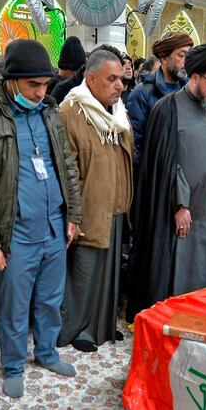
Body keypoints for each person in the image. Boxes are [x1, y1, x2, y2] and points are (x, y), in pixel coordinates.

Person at [0, 39, 82, 399]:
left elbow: (66, 167)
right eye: (34, 86)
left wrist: (73, 214)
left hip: (54, 226)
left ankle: (46, 352)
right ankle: (13, 364)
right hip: (14, 232)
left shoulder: (48, 111)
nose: (42, 93)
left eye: (45, 85)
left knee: (50, 297)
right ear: (9, 80)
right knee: (14, 305)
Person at [127, 42, 206, 319]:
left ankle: (193, 313)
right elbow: (164, 164)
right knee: (173, 265)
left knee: (201, 265)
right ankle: (168, 317)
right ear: (195, 76)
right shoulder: (168, 109)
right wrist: (180, 205)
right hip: (176, 210)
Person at [58, 49, 132, 352]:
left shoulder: (117, 111)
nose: (120, 86)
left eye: (121, 79)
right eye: (112, 79)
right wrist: (73, 214)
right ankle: (77, 329)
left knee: (108, 272)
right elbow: (68, 170)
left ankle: (101, 326)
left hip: (114, 206)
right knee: (83, 274)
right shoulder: (71, 111)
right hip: (88, 209)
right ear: (91, 78)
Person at [126, 32, 193, 170]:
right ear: (164, 57)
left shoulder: (190, 92)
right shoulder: (142, 94)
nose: (187, 62)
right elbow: (135, 147)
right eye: (182, 55)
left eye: (189, 55)